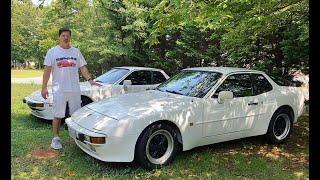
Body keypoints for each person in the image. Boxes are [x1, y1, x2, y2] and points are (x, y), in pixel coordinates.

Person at [41, 27, 101, 150]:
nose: (65, 37)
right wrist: (44, 87)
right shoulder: (52, 52)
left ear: (70, 37)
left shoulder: (76, 52)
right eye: (63, 35)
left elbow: (83, 68)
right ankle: (56, 138)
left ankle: (76, 138)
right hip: (59, 89)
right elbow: (47, 71)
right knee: (58, 114)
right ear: (59, 37)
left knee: (76, 114)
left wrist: (90, 80)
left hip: (74, 89)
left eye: (67, 35)